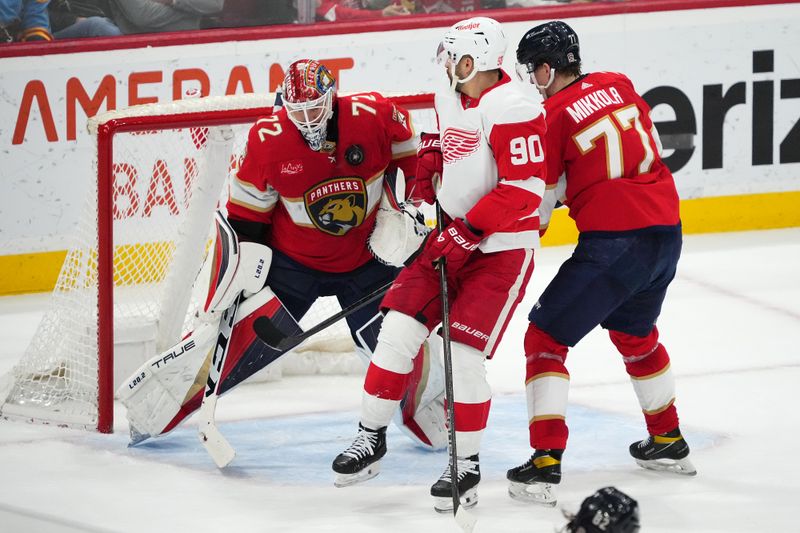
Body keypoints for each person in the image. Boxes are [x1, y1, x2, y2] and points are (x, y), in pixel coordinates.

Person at [332, 17, 547, 513]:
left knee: (463, 358)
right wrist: (427, 177)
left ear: (478, 61)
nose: (446, 64)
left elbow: (524, 190)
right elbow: (446, 148)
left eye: (455, 57)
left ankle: (465, 464)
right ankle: (370, 439)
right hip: (452, 239)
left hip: (500, 252)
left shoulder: (514, 106)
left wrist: (468, 232)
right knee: (396, 332)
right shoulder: (450, 95)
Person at [211, 58, 448, 451]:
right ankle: (168, 402)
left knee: (398, 347)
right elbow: (247, 214)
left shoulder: (373, 113)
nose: (307, 118)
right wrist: (242, 271)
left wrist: (404, 205)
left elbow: (412, 156)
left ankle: (429, 414)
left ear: (332, 96)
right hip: (292, 267)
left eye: (315, 106)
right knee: (238, 346)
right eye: (297, 110)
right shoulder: (267, 139)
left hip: (369, 262)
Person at [507, 20, 695, 506]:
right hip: (666, 235)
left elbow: (542, 208)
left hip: (617, 243)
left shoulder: (550, 116)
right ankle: (668, 438)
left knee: (544, 339)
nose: (531, 78)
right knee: (634, 332)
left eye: (533, 70)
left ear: (548, 69)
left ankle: (545, 463)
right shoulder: (617, 82)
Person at [105, 0, 222, 34]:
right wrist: (193, 10)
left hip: (193, 46)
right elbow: (143, 15)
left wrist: (173, 1)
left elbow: (215, 4)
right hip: (141, 55)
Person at [48, 0, 122, 38]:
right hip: (56, 32)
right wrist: (73, 19)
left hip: (109, 20)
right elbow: (38, 13)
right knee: (98, 26)